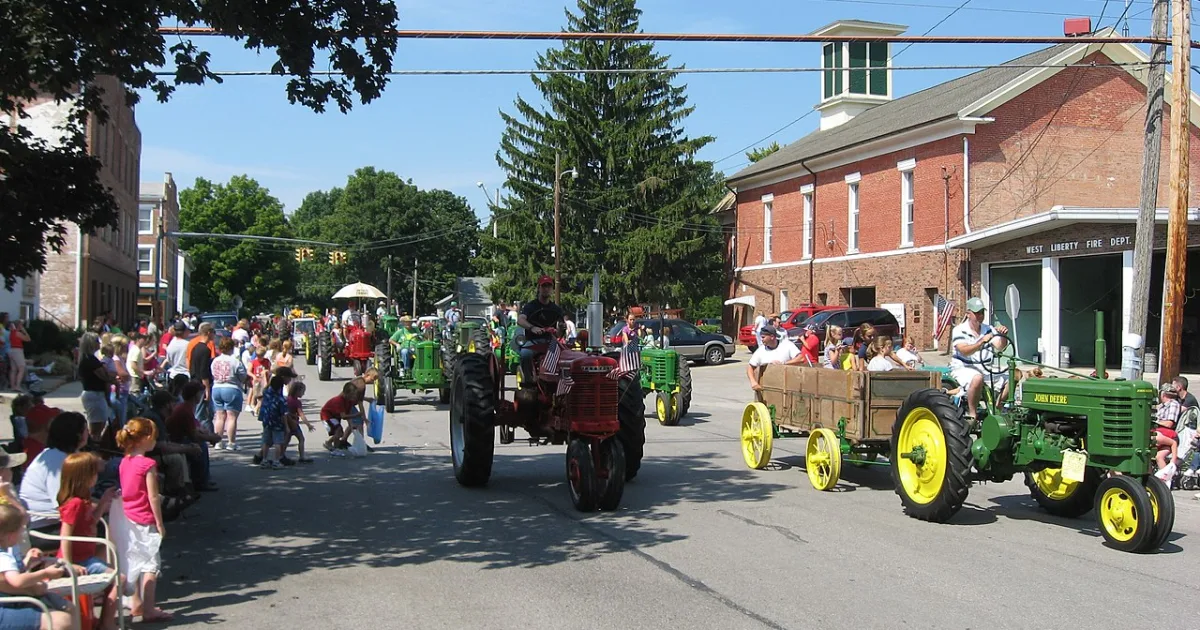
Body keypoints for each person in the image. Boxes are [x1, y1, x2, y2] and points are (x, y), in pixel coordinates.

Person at [116, 419, 172, 622]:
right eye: (154, 437)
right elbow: (153, 496)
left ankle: (136, 603)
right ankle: (149, 608)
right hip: (145, 517)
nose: (155, 441)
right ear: (146, 438)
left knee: (134, 559)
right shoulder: (148, 465)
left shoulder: (125, 461)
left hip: (128, 517)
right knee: (150, 564)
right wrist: (159, 522)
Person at [56, 452, 118, 629]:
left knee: (116, 577)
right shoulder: (74, 504)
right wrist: (69, 564)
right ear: (84, 476)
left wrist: (103, 503)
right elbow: (65, 535)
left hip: (86, 557)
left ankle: (102, 621)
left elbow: (91, 523)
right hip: (78, 560)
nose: (96, 476)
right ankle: (107, 623)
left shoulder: (83, 501)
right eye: (94, 473)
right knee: (118, 579)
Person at [0, 504, 74, 630]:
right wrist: (45, 573)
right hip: (9, 603)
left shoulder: (5, 554)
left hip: (13, 599)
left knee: (66, 606)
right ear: (10, 536)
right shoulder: (4, 556)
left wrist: (28, 561)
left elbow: (9, 574)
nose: (22, 534)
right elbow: (17, 581)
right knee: (62, 619)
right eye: (21, 530)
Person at [19, 413, 89, 545]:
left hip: (55, 521)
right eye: (86, 429)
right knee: (106, 529)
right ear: (78, 434)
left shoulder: (61, 455)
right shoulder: (57, 461)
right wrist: (101, 507)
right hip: (43, 528)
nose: (88, 433)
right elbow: (64, 504)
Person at [950, 298, 1010, 422]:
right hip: (964, 368)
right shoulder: (959, 330)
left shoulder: (988, 329)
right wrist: (981, 342)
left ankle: (997, 410)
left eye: (982, 312)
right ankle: (972, 415)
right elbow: (964, 351)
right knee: (977, 378)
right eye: (977, 313)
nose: (980, 316)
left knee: (1014, 377)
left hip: (986, 368)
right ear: (968, 314)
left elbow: (1000, 347)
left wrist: (1003, 336)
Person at [516, 276, 565, 386]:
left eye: (549, 286)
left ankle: (560, 382)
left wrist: (561, 328)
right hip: (533, 342)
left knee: (566, 357)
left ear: (552, 289)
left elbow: (559, 334)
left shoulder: (556, 309)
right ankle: (528, 382)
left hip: (550, 342)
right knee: (525, 354)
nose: (546, 289)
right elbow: (520, 320)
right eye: (544, 286)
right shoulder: (530, 306)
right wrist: (532, 328)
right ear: (539, 288)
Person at [77, 334, 115, 439]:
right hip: (94, 395)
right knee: (96, 427)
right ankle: (93, 445)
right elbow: (106, 376)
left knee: (100, 423)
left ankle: (95, 443)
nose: (99, 343)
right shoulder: (89, 360)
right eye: (97, 341)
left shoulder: (90, 358)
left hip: (96, 395)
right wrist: (110, 375)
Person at [745, 326, 806, 391]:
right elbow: (750, 367)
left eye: (763, 337)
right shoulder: (760, 351)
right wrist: (753, 382)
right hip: (767, 388)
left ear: (772, 337)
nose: (761, 339)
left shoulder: (787, 345)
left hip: (787, 387)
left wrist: (784, 363)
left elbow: (801, 358)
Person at [320, 382, 363, 456]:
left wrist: (351, 425)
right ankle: (335, 449)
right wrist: (357, 414)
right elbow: (344, 416)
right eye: (352, 395)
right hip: (327, 416)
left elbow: (348, 413)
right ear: (346, 393)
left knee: (340, 433)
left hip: (335, 417)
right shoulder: (339, 400)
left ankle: (329, 443)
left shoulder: (349, 401)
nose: (353, 397)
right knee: (338, 431)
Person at [283, 382, 315, 464]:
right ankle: (301, 457)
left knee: (286, 440)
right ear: (297, 391)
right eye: (302, 391)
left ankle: (281, 455)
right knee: (301, 439)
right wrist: (308, 424)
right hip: (294, 423)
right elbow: (301, 414)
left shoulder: (286, 399)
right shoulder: (297, 402)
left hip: (286, 422)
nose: (303, 394)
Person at [6, 319, 29, 392]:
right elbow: (28, 339)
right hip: (17, 350)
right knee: (21, 368)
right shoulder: (17, 333)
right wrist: (24, 331)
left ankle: (13, 386)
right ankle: (18, 386)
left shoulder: (12, 333)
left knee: (13, 370)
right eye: (21, 325)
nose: (22, 326)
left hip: (12, 350)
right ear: (19, 325)